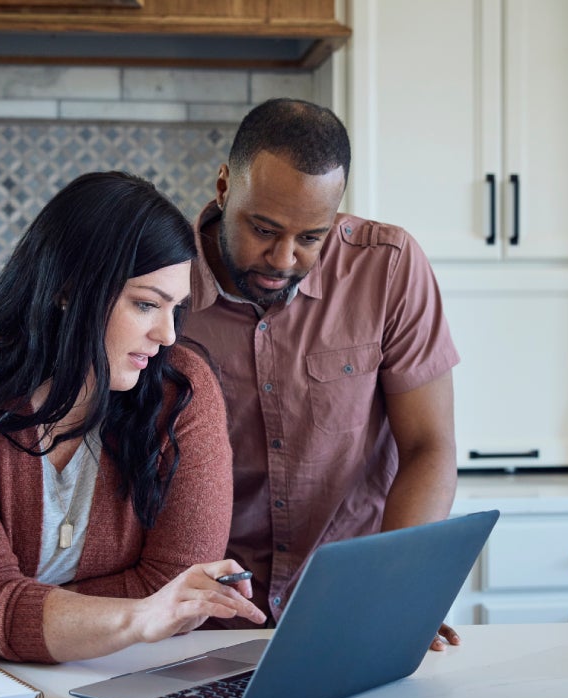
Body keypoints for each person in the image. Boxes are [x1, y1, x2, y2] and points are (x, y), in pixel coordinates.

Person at [0, 171, 265, 663]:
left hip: (114, 677)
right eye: (146, 304)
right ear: (66, 288)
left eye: (176, 308)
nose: (168, 334)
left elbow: (177, 590)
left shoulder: (181, 392)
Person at [185, 99, 461, 648]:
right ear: (223, 187)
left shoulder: (389, 266)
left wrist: (397, 590)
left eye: (311, 237)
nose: (284, 258)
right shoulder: (162, 284)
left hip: (348, 610)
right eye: (263, 229)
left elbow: (430, 446)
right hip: (201, 620)